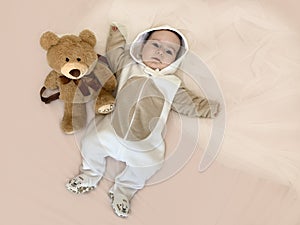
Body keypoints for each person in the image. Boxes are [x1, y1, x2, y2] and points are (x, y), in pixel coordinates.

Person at [66, 23, 220, 217]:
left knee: (150, 164)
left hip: (145, 146)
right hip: (110, 133)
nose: (160, 53)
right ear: (141, 46)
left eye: (169, 51)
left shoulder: (172, 85)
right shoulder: (129, 67)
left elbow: (189, 104)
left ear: (176, 60)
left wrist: (210, 109)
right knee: (90, 141)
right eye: (155, 45)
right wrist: (116, 33)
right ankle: (90, 174)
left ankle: (124, 190)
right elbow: (114, 54)